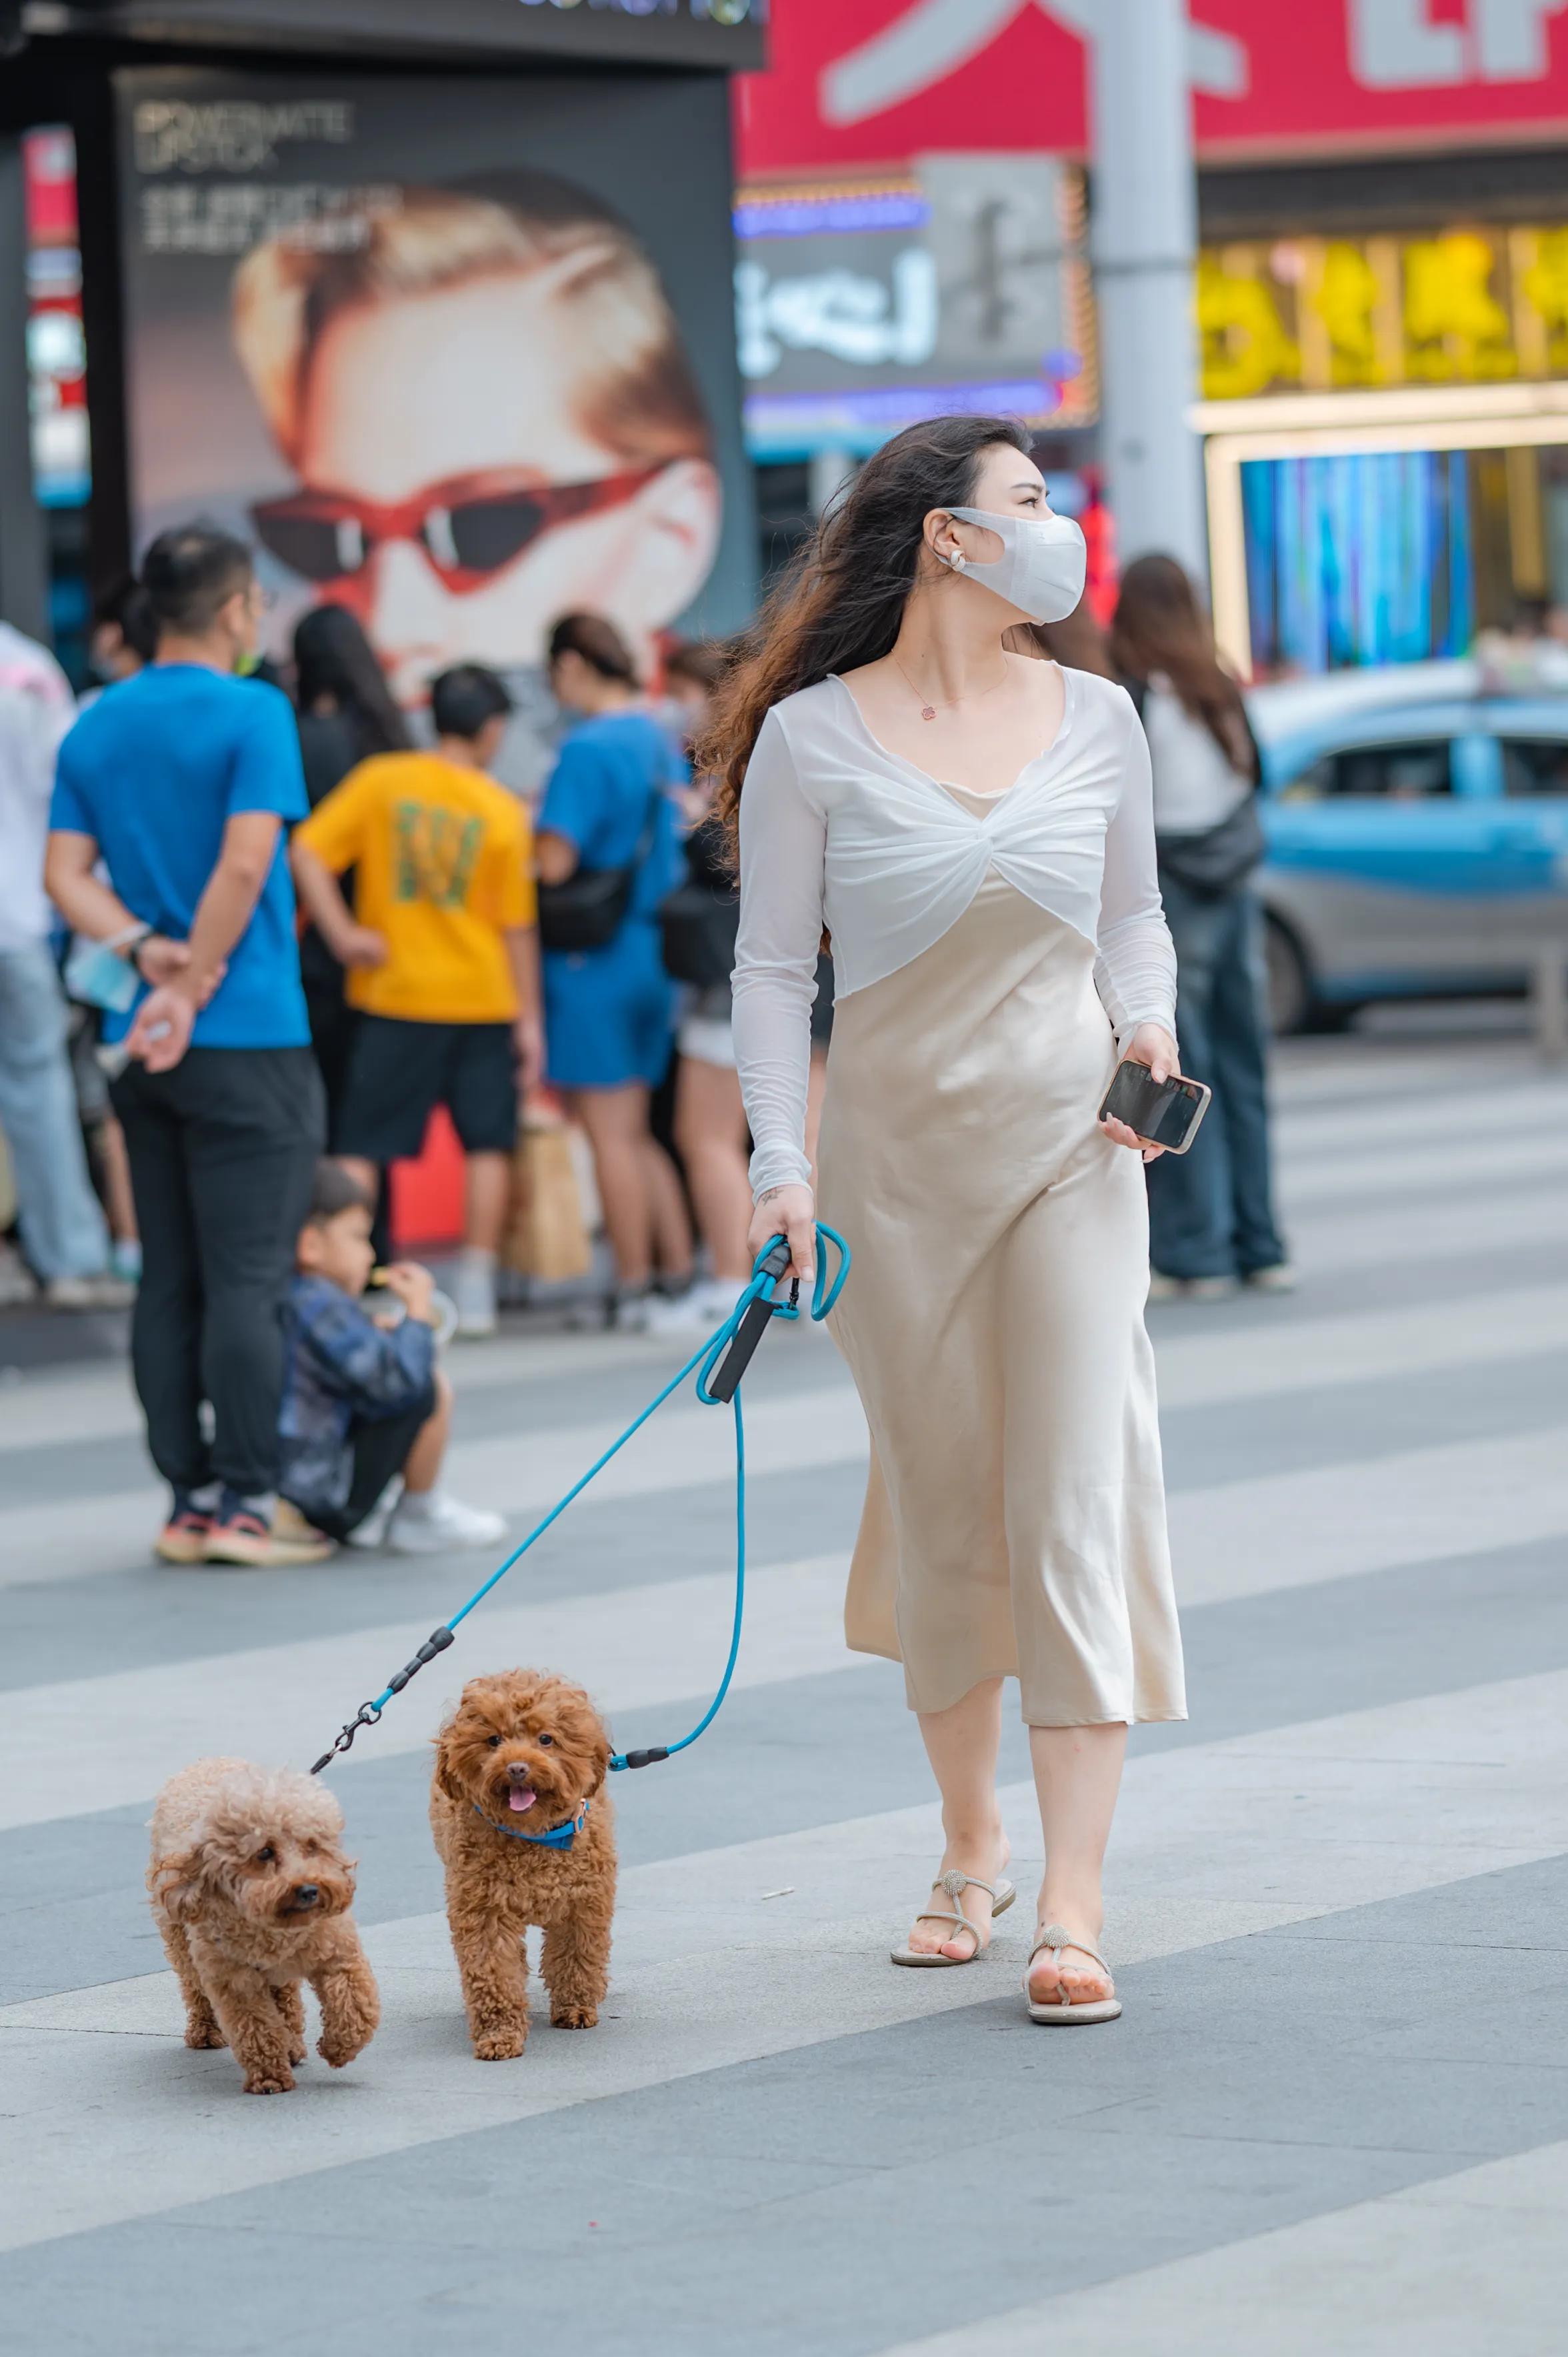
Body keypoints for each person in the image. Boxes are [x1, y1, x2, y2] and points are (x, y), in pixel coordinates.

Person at [706, 415, 1187, 2023]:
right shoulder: (814, 741)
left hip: (1072, 1151)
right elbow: (774, 974)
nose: (1061, 531)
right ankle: (968, 1839)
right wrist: (784, 1166)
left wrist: (1150, 1026)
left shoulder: (1104, 715)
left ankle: (1071, 1900)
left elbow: (1135, 915)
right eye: (1033, 503)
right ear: (946, 538)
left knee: (1067, 1492)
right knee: (944, 1503)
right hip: (891, 1184)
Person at [45, 523, 328, 1566]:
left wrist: (147, 958)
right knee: (249, 1273)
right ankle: (251, 1502)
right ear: (235, 610)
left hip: (138, 1035)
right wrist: (201, 975)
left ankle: (188, 1497)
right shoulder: (254, 710)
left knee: (170, 1273)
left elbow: (64, 875)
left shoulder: (95, 724)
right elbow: (248, 865)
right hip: (245, 1026)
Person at [232, 177, 721, 699]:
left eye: (475, 529)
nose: (392, 627)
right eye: (330, 536)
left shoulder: (726, 755)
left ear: (673, 536)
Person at [289, 662, 542, 1342]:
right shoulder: (502, 811)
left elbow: (306, 852)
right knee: (486, 1143)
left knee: (362, 1143)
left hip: (394, 994)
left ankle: (338, 1277)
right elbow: (517, 927)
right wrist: (531, 1019)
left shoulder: (383, 782)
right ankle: (477, 1286)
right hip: (483, 999)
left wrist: (342, 935)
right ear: (491, 729)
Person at [1111, 554, 1291, 1300]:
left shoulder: (1129, 690)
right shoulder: (1216, 683)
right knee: (1243, 1070)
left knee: (1181, 1072)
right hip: (1234, 885)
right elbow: (1260, 778)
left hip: (1170, 894)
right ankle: (1262, 1244)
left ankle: (1197, 1252)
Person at [536, 612, 691, 1328]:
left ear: (571, 666)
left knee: (609, 1133)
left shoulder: (586, 749)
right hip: (654, 950)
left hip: (590, 959)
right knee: (642, 1131)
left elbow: (555, 860)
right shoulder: (659, 740)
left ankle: (631, 1285)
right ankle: (675, 1271)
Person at [0, 618, 129, 1311]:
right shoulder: (26, 670)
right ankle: (70, 1256)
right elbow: (65, 791)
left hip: (21, 910)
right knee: (37, 1086)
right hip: (17, 912)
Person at [281, 1159, 507, 1552]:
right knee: (429, 1385)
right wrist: (418, 1314)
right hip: (320, 1495)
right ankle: (419, 1512)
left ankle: (397, 1505)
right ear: (311, 1245)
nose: (369, 1256)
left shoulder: (285, 1294)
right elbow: (397, 1381)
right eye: (357, 1238)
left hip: (288, 1483)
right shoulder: (319, 1302)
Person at [291, 604, 411, 1140]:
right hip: (388, 938)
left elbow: (296, 849)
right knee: (371, 1120)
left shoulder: (296, 739)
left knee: (317, 1103)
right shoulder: (393, 743)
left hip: (315, 938)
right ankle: (370, 1226)